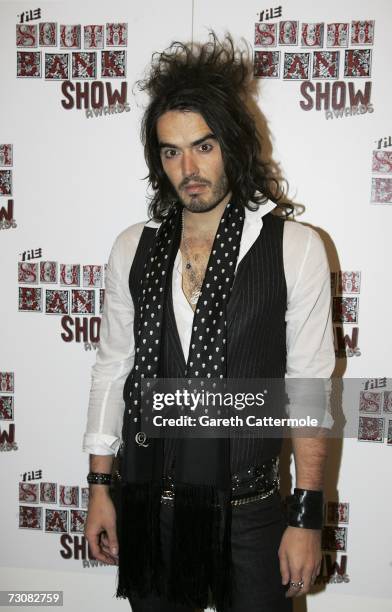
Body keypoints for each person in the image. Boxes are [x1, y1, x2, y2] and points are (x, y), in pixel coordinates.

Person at [83, 32, 335, 612]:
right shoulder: (133, 248)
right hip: (149, 506)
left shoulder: (292, 248)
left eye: (203, 146)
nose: (188, 168)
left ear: (235, 145)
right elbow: (111, 370)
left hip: (251, 515)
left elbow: (308, 390)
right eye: (171, 151)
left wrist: (305, 515)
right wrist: (101, 487)